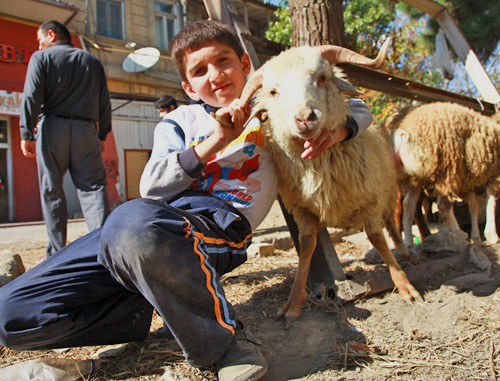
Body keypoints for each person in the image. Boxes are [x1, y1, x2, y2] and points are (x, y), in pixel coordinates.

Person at [0, 20, 373, 380]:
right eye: (199, 70)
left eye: (223, 60)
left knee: (134, 223)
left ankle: (223, 342)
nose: (215, 75)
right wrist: (215, 140)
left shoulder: (271, 109)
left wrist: (340, 131)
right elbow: (152, 187)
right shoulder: (180, 120)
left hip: (216, 225)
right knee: (9, 315)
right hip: (139, 229)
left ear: (245, 64)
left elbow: (353, 106)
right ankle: (152, 310)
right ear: (189, 86)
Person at [20, 20, 111, 256]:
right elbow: (104, 102)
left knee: (52, 188)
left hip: (53, 127)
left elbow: (31, 96)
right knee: (93, 187)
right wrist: (102, 134)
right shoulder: (92, 61)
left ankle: (57, 253)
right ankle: (102, 250)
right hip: (86, 130)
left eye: (40, 41)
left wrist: (26, 132)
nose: (40, 46)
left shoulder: (42, 58)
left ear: (51, 35)